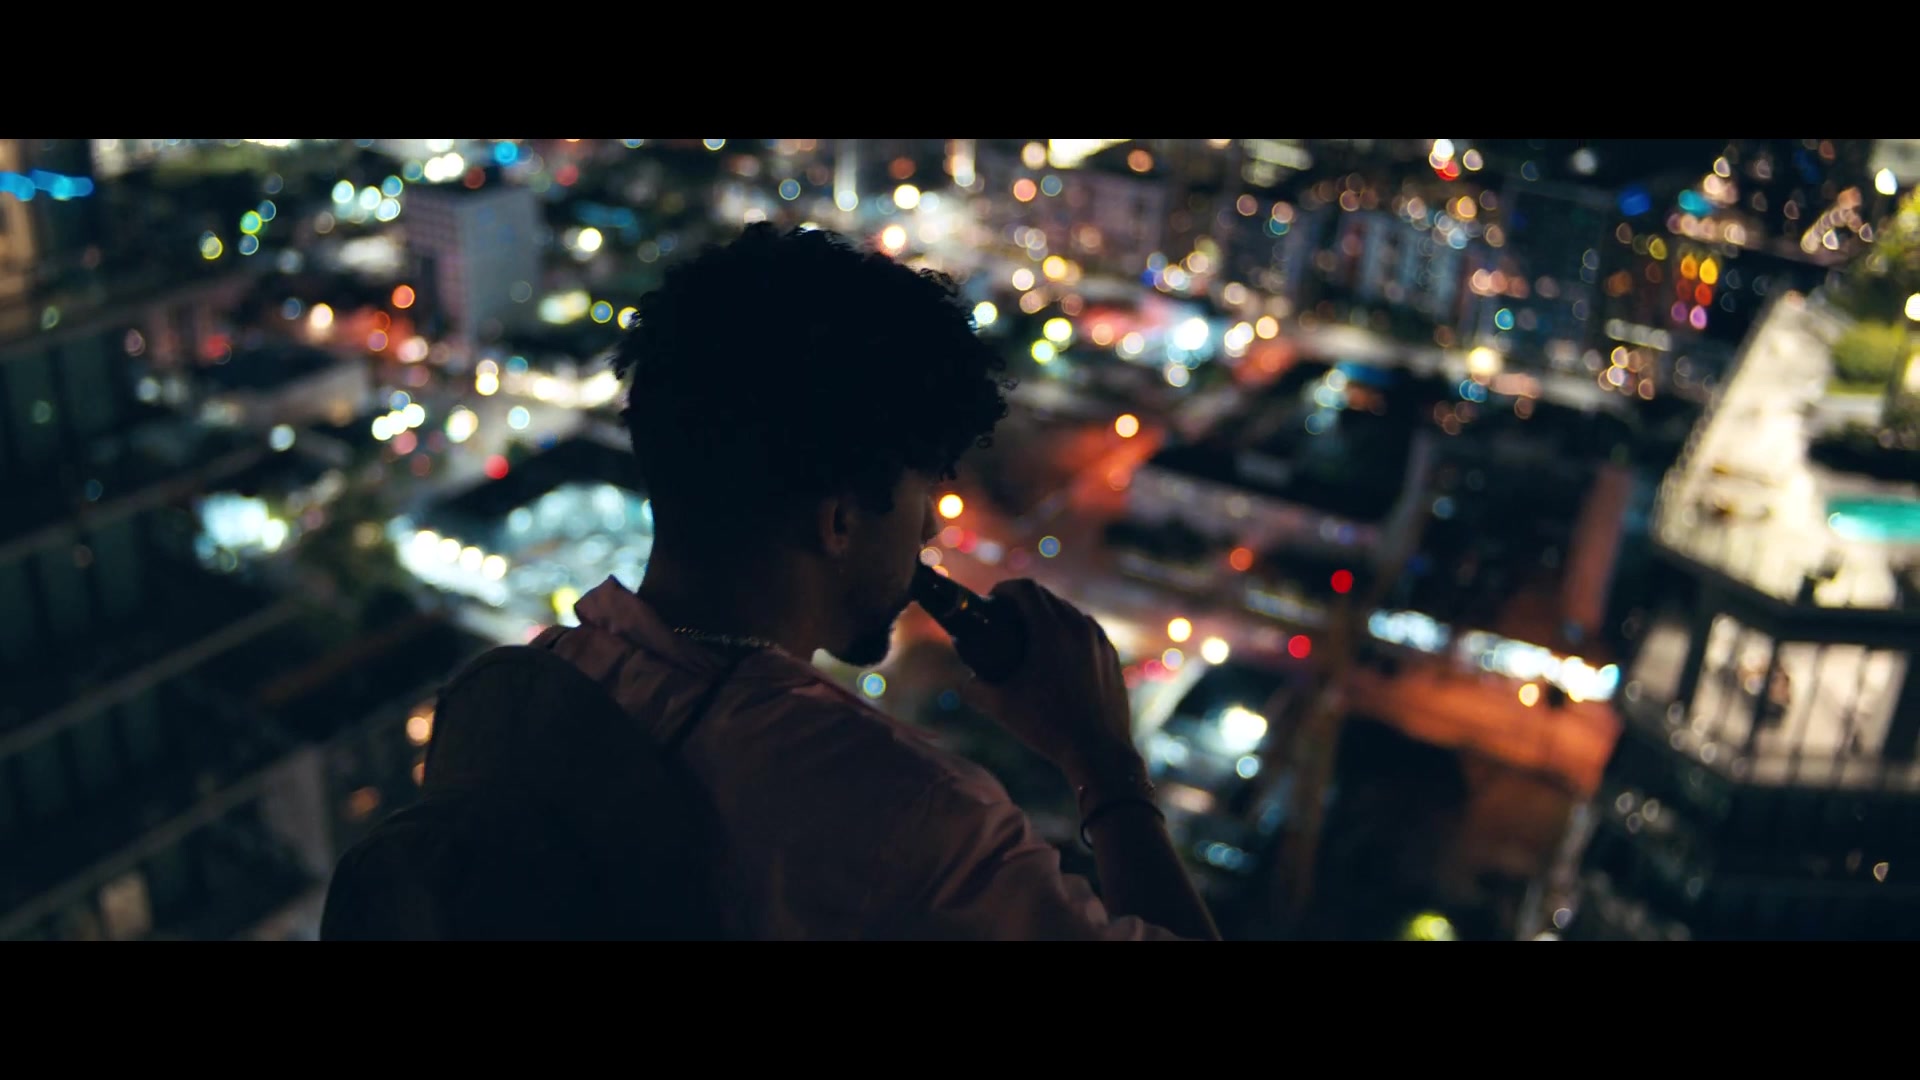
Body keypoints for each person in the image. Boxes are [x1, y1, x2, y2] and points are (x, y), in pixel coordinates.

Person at [543, 223, 1218, 940]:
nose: (928, 530)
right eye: (921, 493)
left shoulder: (522, 689)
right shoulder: (917, 821)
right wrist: (1106, 764)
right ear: (838, 522)